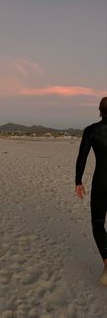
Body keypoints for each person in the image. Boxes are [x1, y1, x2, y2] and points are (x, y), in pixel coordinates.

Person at [75, 96, 107, 286]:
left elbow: (82, 158)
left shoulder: (91, 131)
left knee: (97, 223)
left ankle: (106, 261)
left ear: (99, 110)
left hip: (101, 182)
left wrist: (78, 181)